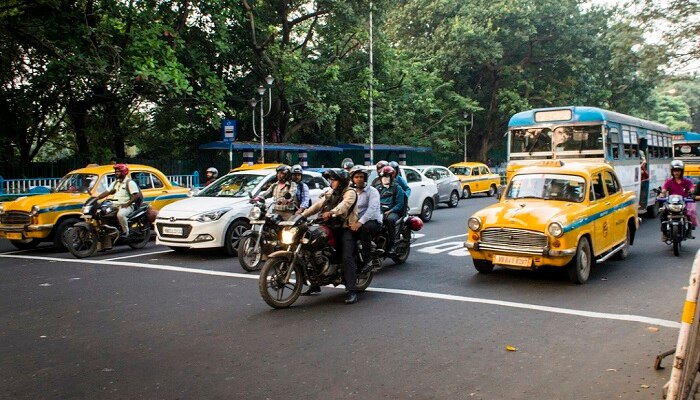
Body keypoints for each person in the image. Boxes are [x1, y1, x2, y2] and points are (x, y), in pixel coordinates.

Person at [301, 168, 360, 304]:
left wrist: (331, 212)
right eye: (331, 180)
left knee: (346, 256)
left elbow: (344, 206)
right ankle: (315, 284)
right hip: (330, 227)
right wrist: (302, 215)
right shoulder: (331, 192)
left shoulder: (350, 192)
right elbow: (317, 205)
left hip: (346, 228)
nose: (331, 182)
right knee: (310, 249)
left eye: (334, 180)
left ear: (341, 181)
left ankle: (352, 290)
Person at [348, 166, 383, 270]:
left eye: (361, 177)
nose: (359, 179)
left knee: (364, 229)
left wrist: (360, 222)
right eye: (356, 177)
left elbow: (372, 209)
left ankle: (369, 260)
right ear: (352, 179)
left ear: (365, 178)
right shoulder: (351, 192)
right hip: (356, 220)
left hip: (372, 221)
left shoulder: (372, 191)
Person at [96, 163, 142, 237]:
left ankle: (126, 232)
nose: (116, 173)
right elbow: (107, 192)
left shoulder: (129, 182)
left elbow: (136, 195)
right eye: (116, 171)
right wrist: (97, 198)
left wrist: (127, 204)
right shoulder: (115, 183)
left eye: (118, 171)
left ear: (124, 172)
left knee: (120, 215)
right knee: (103, 212)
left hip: (127, 206)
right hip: (115, 205)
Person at [659, 160, 695, 241]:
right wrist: (661, 195)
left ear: (681, 171)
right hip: (671, 203)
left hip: (683, 203)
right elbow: (664, 190)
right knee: (663, 214)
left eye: (678, 170)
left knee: (690, 212)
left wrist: (692, 192)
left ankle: (689, 231)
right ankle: (664, 233)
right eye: (674, 171)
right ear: (672, 172)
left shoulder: (687, 181)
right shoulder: (669, 182)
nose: (676, 173)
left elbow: (692, 188)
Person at [375, 165, 405, 256]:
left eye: (386, 176)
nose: (384, 178)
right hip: (380, 211)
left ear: (391, 177)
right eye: (383, 176)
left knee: (389, 220)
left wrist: (391, 211)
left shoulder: (397, 188)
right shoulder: (378, 188)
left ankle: (392, 245)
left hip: (393, 212)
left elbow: (400, 204)